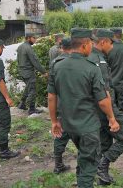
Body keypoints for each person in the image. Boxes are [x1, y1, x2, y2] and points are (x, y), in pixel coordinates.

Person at [47, 28, 120, 188]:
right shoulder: (91, 68)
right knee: (89, 165)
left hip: (69, 125)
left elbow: (52, 96)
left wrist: (54, 121)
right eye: (91, 44)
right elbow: (102, 100)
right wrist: (112, 119)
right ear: (85, 45)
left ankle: (82, 181)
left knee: (84, 156)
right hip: (87, 126)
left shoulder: (58, 66)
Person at [88, 29, 123, 185]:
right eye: (111, 43)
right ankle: (103, 165)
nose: (112, 47)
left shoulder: (88, 56)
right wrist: (112, 117)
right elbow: (103, 93)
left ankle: (101, 176)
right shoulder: (99, 61)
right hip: (105, 108)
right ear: (103, 42)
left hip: (92, 109)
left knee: (105, 142)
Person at [51, 37, 72, 174]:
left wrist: (53, 119)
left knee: (60, 134)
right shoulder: (75, 62)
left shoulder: (55, 63)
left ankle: (58, 164)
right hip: (75, 105)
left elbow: (51, 93)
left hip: (60, 105)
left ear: (61, 47)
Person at [17, 33, 47, 115]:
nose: (35, 40)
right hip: (28, 72)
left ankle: (22, 104)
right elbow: (35, 61)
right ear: (28, 38)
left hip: (22, 71)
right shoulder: (28, 48)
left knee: (28, 88)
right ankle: (32, 109)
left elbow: (18, 60)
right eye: (34, 38)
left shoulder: (20, 47)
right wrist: (43, 72)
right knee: (32, 90)